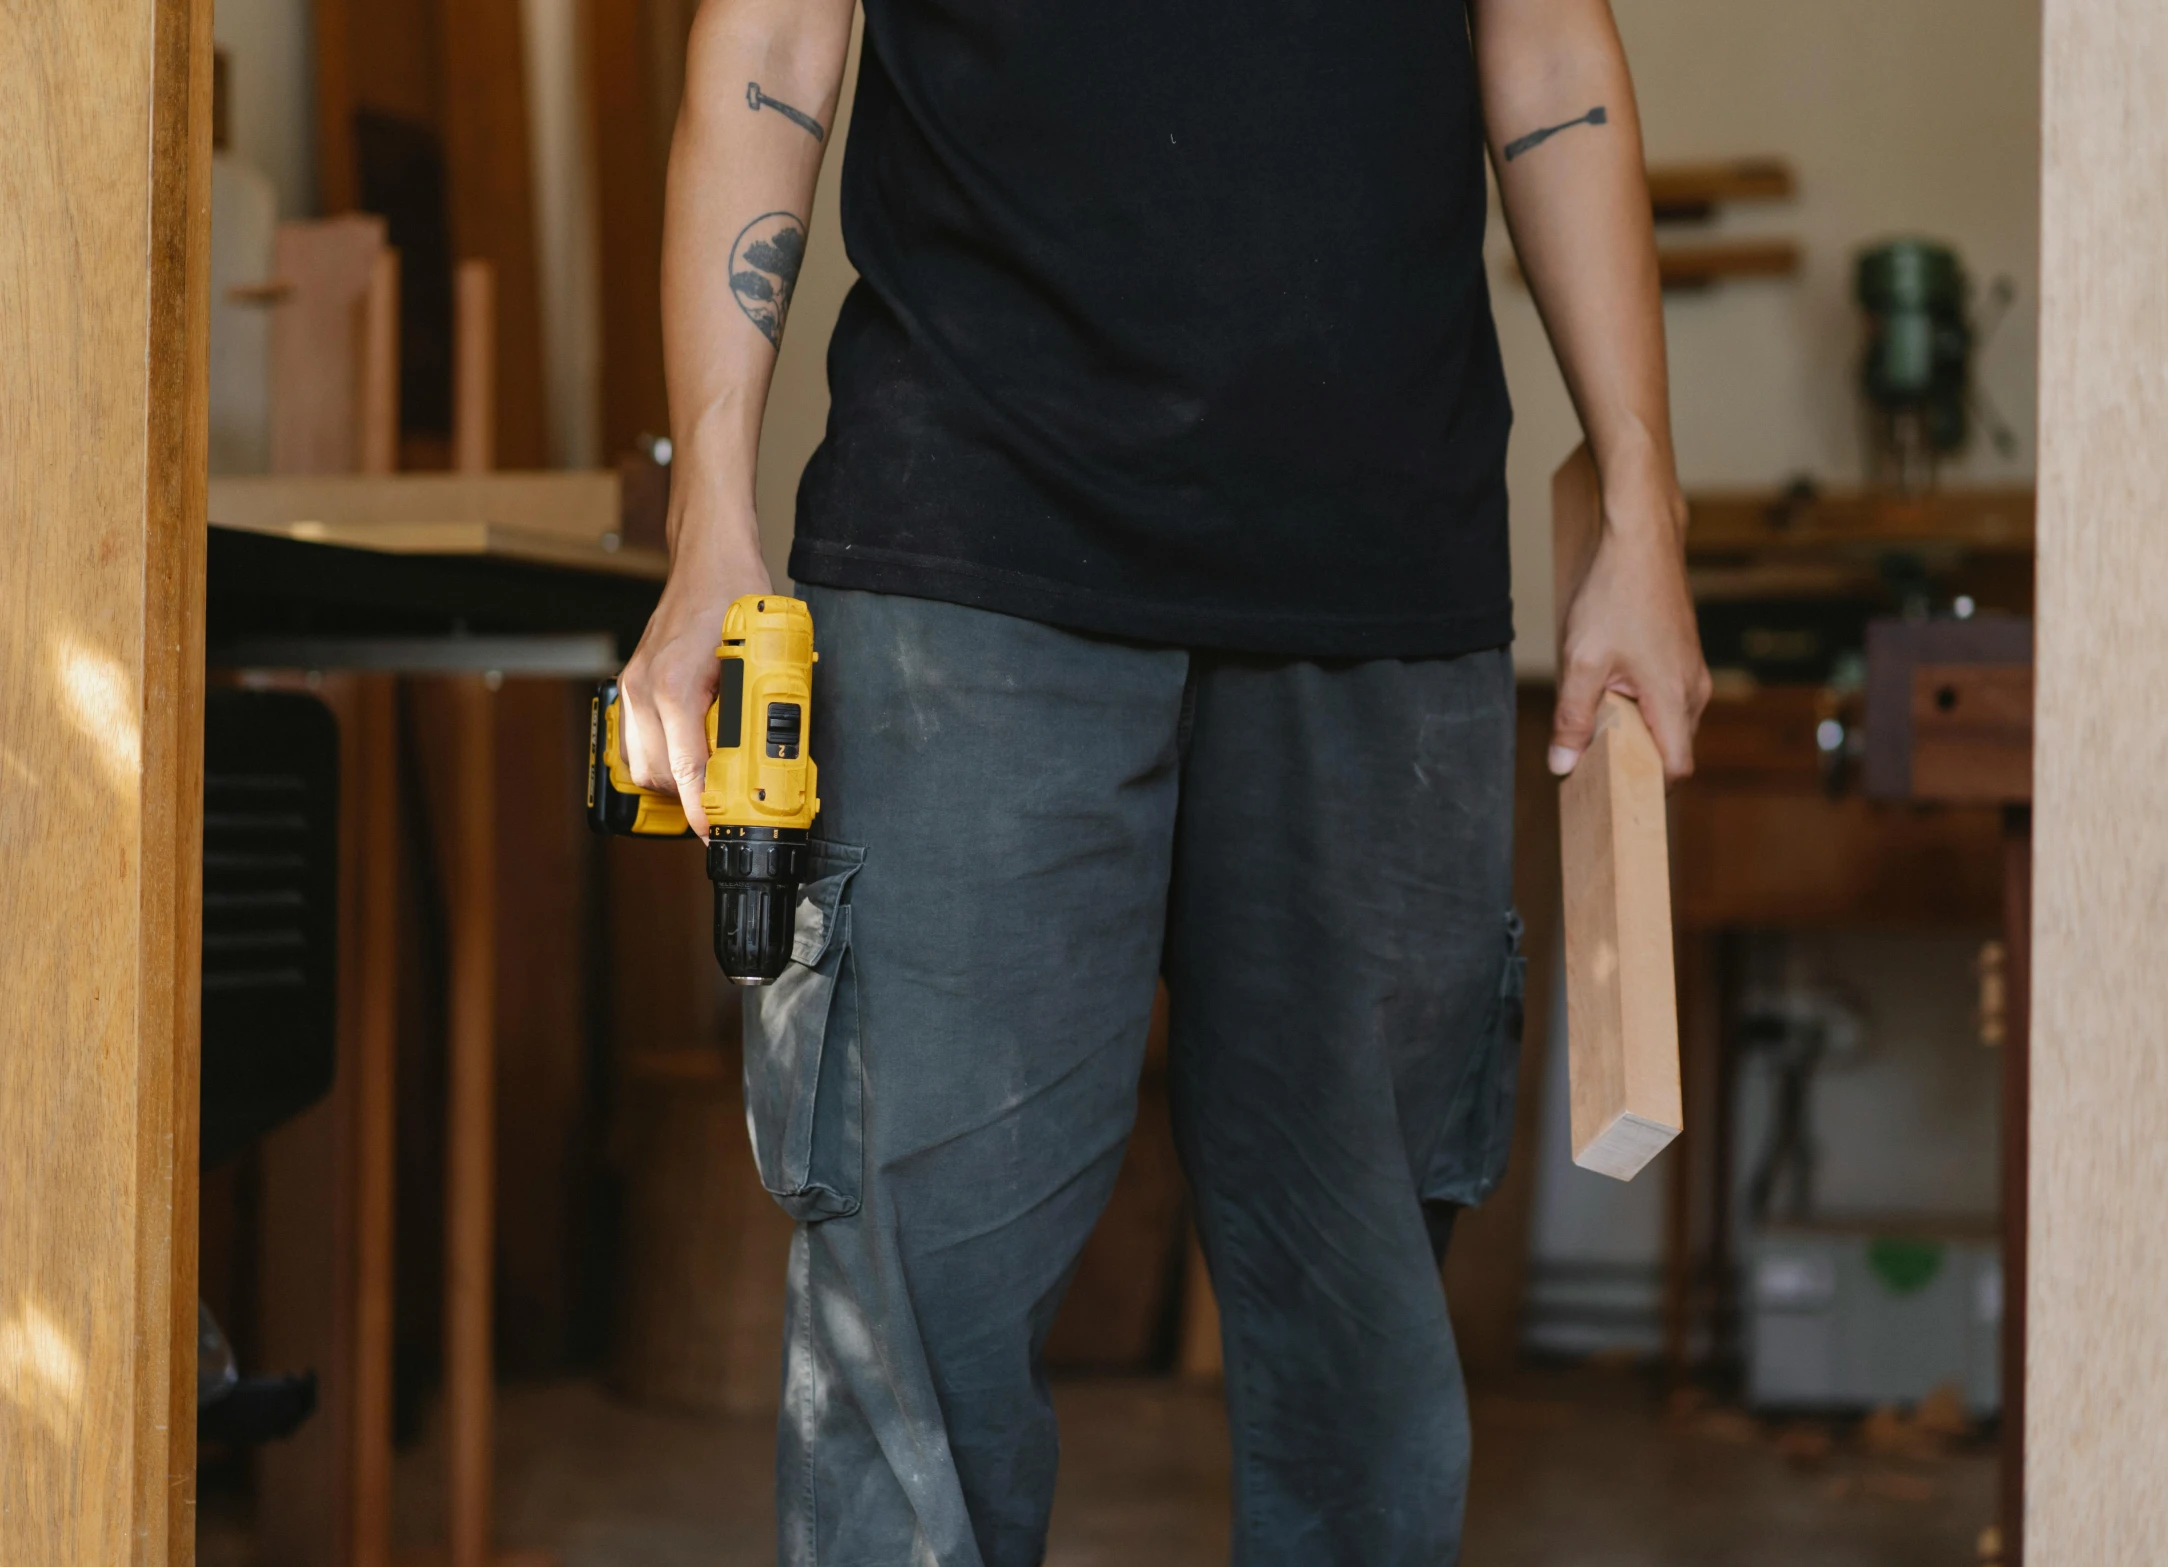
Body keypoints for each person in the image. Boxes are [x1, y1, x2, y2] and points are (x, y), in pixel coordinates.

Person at [616, 0, 1708, 1558]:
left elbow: (1544, 47)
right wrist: (705, 516)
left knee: (1366, 1354)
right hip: (970, 558)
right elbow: (774, 38)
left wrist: (1641, 515)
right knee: (911, 1347)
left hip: (1380, 578)